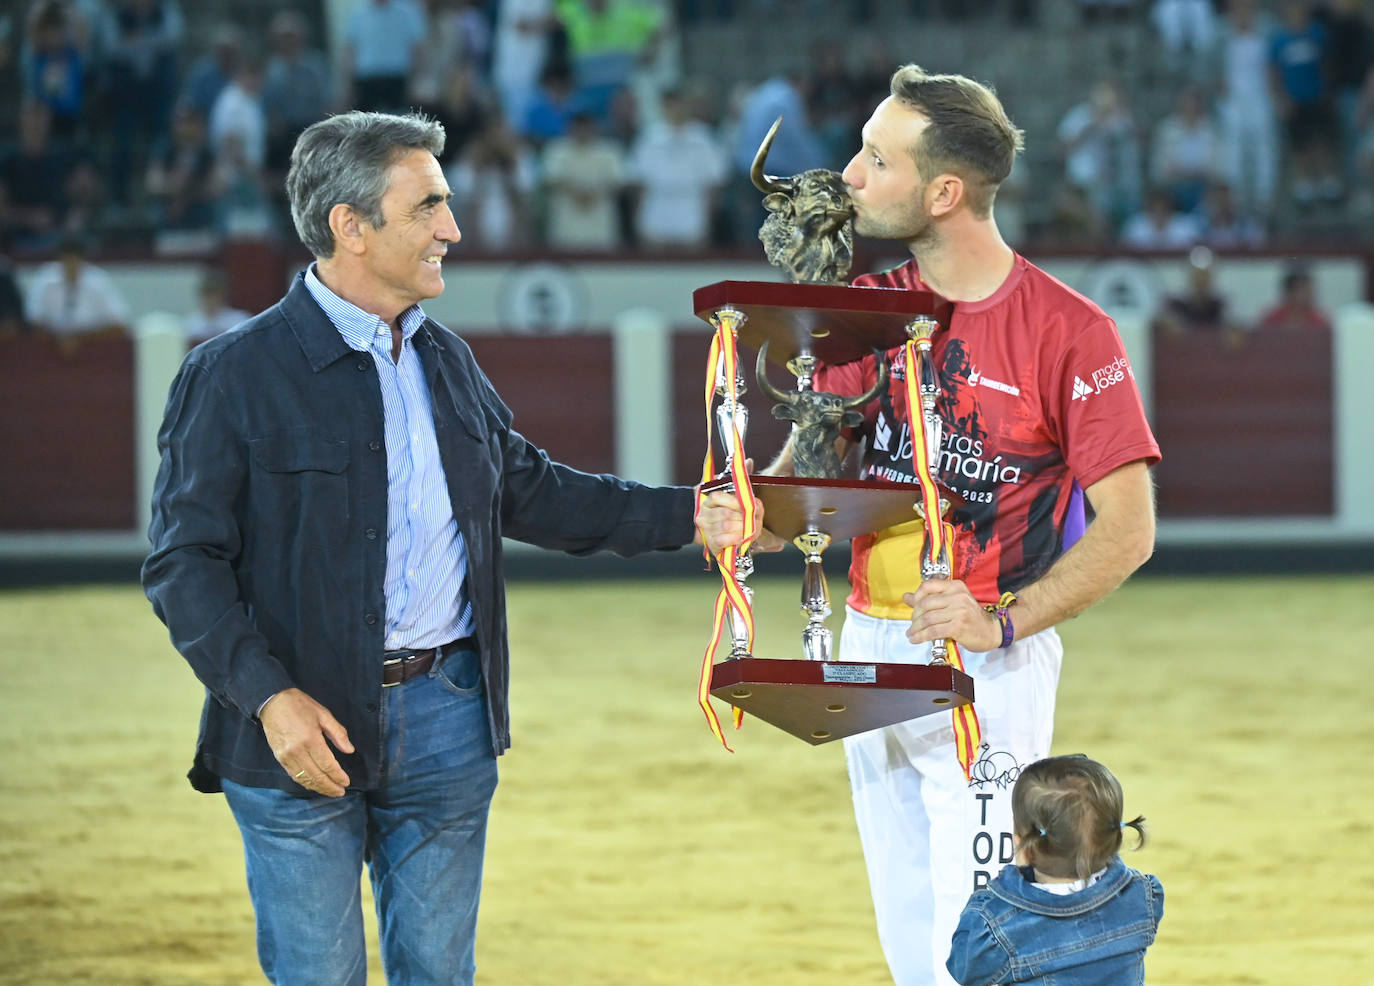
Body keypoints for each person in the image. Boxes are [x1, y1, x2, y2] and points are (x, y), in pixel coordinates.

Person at [141, 110, 757, 986]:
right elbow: (181, 564)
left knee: (439, 975)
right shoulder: (232, 374)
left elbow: (532, 490)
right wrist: (268, 698)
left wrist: (694, 515)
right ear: (349, 226)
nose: (452, 230)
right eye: (428, 206)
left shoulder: (448, 360)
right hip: (296, 721)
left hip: (448, 714)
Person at [764, 65, 1159, 986]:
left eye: (876, 159)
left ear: (944, 192)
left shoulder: (1070, 330)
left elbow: (1128, 530)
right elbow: (811, 482)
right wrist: (754, 502)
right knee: (910, 944)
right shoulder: (864, 313)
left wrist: (1007, 620)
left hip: (982, 663)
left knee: (982, 946)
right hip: (866, 641)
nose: (850, 178)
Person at [946, 755, 1164, 985]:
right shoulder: (1142, 895)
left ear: (1026, 850)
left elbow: (963, 969)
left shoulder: (993, 924)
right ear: (1114, 838)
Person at [1256, 264, 1332, 331]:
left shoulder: (1318, 321)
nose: (1308, 295)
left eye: (1309, 291)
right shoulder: (1272, 319)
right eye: (1302, 291)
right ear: (1289, 292)